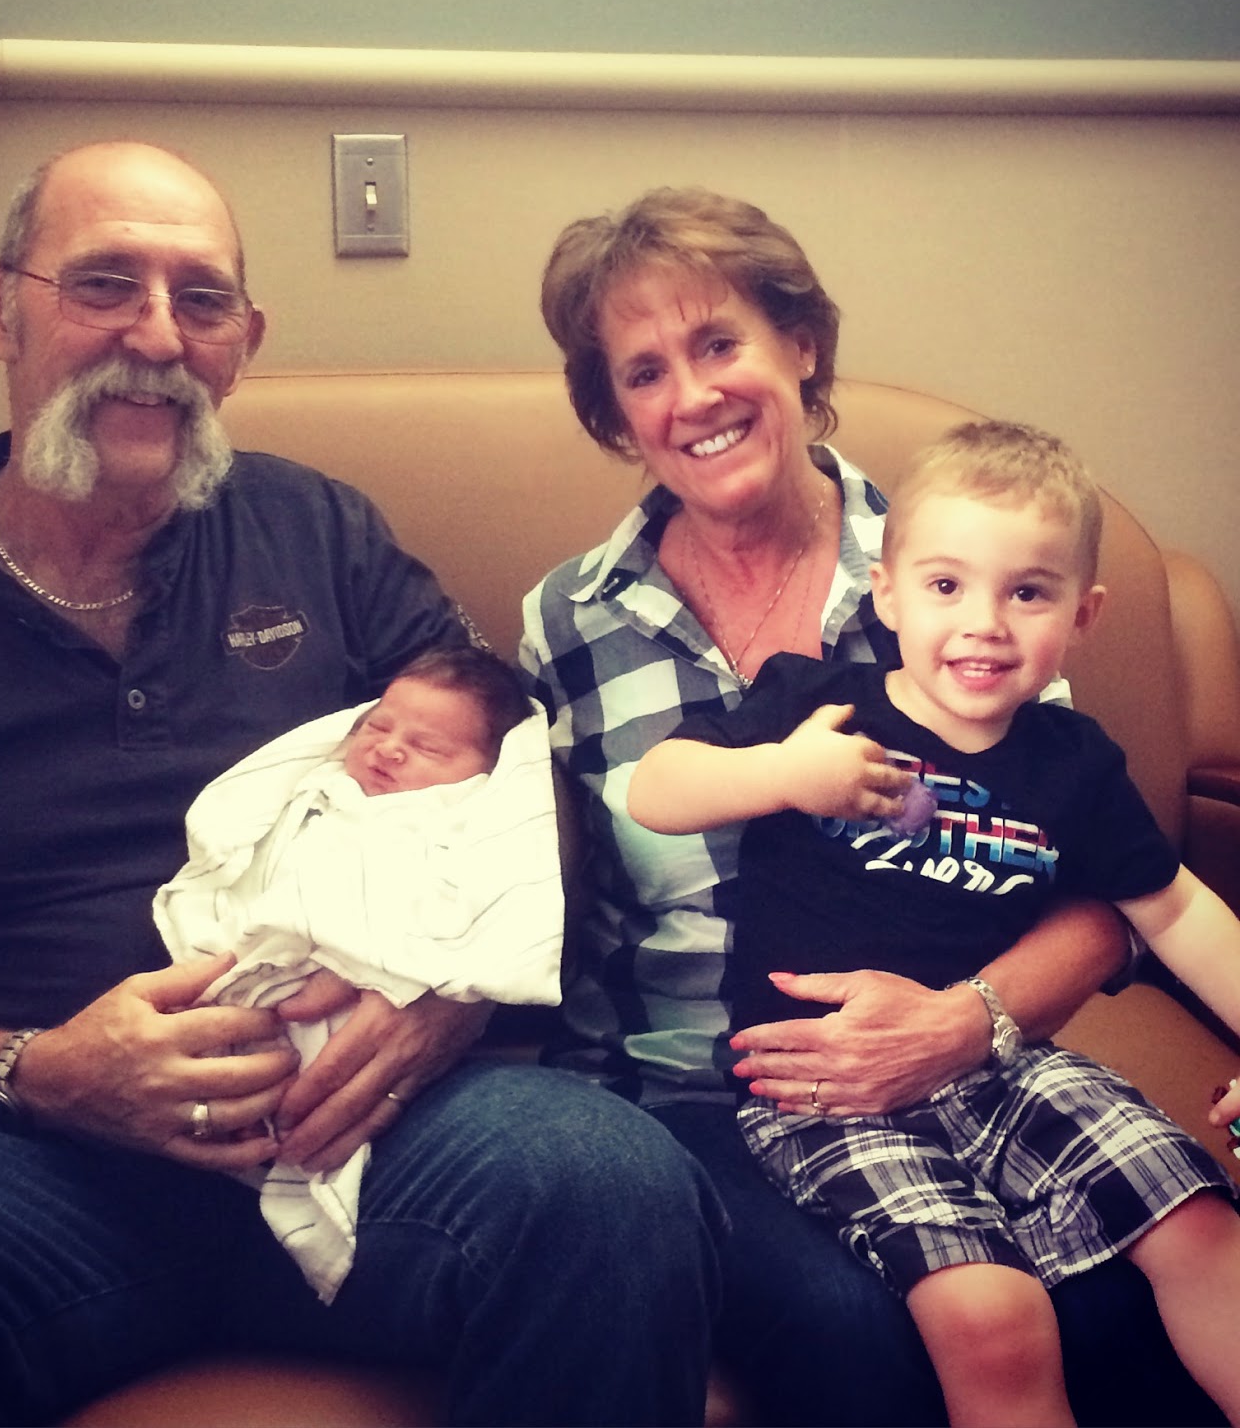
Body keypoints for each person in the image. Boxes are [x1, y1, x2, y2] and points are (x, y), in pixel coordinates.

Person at [0, 143, 721, 1427]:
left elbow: (517, 776)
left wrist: (443, 999)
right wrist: (42, 1070)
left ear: (244, 341)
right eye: (104, 282)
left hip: (364, 1132)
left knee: (612, 1184)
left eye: (202, 298)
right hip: (44, 1168)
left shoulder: (321, 534)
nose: (158, 336)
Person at [521, 184, 1223, 1425]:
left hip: (970, 1054)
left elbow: (1102, 886)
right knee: (868, 1333)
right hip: (697, 1090)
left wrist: (965, 1021)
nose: (691, 395)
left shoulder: (962, 565)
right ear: (616, 413)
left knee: (1128, 1289)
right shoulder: (567, 621)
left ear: (799, 345)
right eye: (643, 372)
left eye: (720, 342)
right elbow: (600, 830)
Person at [628, 420, 1240, 1426]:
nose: (984, 624)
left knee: (1202, 1226)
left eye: (1027, 592)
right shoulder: (818, 705)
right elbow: (655, 788)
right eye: (947, 585)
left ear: (1082, 615)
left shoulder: (1075, 762)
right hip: (823, 1093)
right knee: (992, 1316)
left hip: (1005, 1064)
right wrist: (781, 773)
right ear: (887, 593)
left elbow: (1176, 911)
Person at [154, 646, 564, 1303]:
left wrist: (399, 960)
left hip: (376, 1025)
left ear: (487, 774)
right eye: (377, 725)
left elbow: (490, 907)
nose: (389, 748)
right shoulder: (314, 792)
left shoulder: (464, 818)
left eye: (426, 747)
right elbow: (236, 868)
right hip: (237, 989)